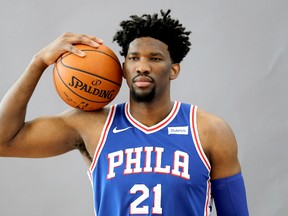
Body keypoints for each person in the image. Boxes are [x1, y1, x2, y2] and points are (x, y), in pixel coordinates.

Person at [0, 9, 249, 215]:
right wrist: (38, 62)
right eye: (134, 58)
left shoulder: (209, 131)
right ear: (122, 69)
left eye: (155, 58)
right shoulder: (92, 125)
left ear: (174, 70)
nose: (142, 66)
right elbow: (4, 141)